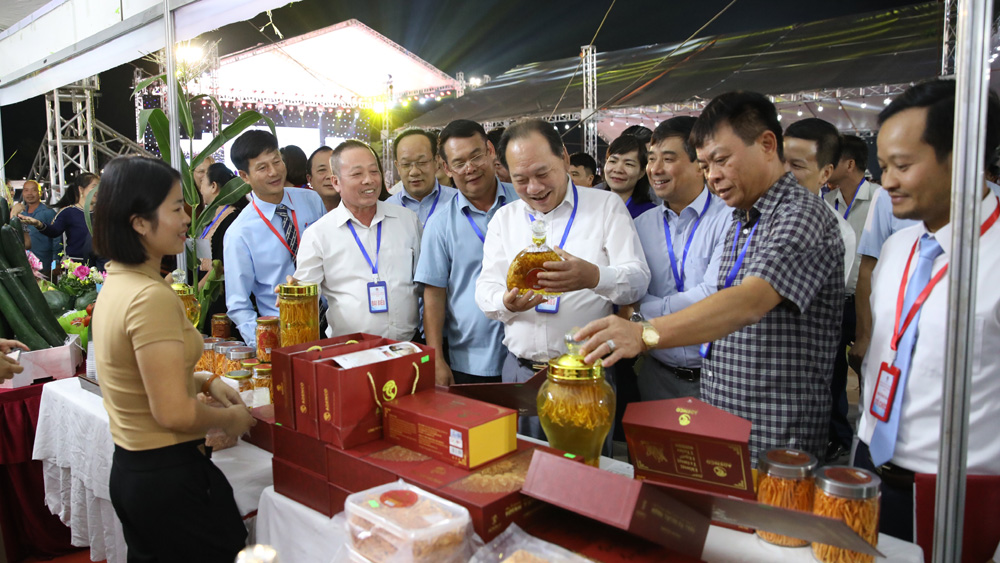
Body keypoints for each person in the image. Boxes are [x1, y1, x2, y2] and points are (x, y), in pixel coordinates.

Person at [575, 91, 844, 464]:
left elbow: (749, 301)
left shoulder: (798, 215)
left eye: (721, 160)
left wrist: (642, 331)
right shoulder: (742, 217)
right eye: (705, 165)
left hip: (775, 432)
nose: (713, 176)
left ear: (767, 144)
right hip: (724, 416)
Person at [853, 80, 1000, 542]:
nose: (887, 181)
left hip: (957, 489)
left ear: (966, 157)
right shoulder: (899, 246)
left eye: (902, 165)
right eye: (883, 165)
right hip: (868, 466)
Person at [91, 156, 254, 561]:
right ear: (140, 223)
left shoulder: (120, 281)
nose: (187, 218)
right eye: (176, 207)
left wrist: (204, 381)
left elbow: (140, 378)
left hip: (137, 471)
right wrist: (229, 419)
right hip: (169, 475)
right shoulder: (150, 298)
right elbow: (173, 413)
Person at [476, 119, 650, 438]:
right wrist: (505, 302)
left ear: (565, 159)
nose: (534, 188)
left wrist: (594, 277)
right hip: (519, 374)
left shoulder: (605, 207)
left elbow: (638, 279)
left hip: (584, 375)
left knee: (583, 474)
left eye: (542, 174)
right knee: (520, 471)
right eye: (520, 179)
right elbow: (485, 287)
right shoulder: (505, 219)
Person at [631, 116, 730, 401]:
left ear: (700, 164)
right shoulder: (641, 225)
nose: (655, 169)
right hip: (656, 374)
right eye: (651, 159)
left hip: (715, 378)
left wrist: (642, 314)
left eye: (668, 158)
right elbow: (632, 293)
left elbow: (714, 296)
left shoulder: (729, 219)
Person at [416, 120, 516, 385]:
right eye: (459, 163)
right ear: (447, 168)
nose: (470, 168)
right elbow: (434, 295)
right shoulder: (439, 224)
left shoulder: (524, 203)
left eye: (476, 156)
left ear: (491, 151)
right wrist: (436, 359)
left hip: (528, 354)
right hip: (471, 361)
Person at [293, 140, 421, 340]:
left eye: (374, 171)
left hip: (407, 349)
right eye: (357, 174)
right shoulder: (319, 234)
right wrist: (292, 294)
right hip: (349, 354)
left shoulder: (407, 220)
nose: (369, 180)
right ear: (336, 182)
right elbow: (304, 297)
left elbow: (425, 285)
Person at [224, 130, 326, 345]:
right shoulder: (239, 233)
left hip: (330, 322)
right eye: (262, 168)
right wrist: (266, 343)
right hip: (286, 331)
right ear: (244, 176)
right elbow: (239, 305)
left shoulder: (311, 200)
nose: (274, 172)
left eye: (277, 161)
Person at [822, 133, 876, 459]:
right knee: (831, 377)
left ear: (850, 164)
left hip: (867, 303)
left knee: (870, 373)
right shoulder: (826, 204)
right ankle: (840, 439)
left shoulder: (881, 201)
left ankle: (870, 443)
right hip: (832, 303)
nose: (825, 167)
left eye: (833, 159)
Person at [783, 118, 857, 286]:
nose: (784, 173)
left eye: (796, 165)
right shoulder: (751, 213)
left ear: (825, 174)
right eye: (781, 161)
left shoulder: (837, 234)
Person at [197, 163, 247, 321]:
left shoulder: (232, 217)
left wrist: (197, 292)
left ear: (213, 186)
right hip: (204, 290)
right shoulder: (206, 217)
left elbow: (221, 264)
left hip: (218, 294)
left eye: (202, 184)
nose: (200, 190)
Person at [20, 172, 99, 266]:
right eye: (94, 186)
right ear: (81, 189)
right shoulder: (68, 212)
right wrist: (38, 224)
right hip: (77, 267)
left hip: (100, 266)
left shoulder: (104, 213)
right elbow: (54, 231)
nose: (98, 190)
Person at [385, 129, 458, 227]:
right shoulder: (386, 211)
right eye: (406, 164)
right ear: (397, 166)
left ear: (436, 161)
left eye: (422, 162)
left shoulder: (458, 202)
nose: (414, 172)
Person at [11, 180, 60, 274]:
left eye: (33, 190)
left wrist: (56, 261)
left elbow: (57, 239)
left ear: (40, 193)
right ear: (22, 193)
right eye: (26, 190)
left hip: (45, 263)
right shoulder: (20, 213)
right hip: (24, 264)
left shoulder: (48, 213)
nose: (29, 193)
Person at [604, 134, 657, 219]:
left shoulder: (650, 215)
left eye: (628, 164)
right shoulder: (592, 207)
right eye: (613, 161)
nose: (618, 169)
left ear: (642, 172)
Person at [306, 145, 340, 212]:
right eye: (322, 170)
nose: (330, 176)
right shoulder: (301, 213)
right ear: (310, 179)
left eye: (335, 169)